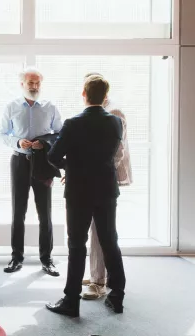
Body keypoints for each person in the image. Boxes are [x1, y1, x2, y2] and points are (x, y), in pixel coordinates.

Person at [45, 75, 128, 318]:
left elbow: (52, 156)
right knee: (109, 241)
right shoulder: (115, 122)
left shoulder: (73, 123)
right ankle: (117, 297)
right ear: (105, 96)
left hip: (79, 190)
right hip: (105, 188)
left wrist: (69, 168)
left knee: (76, 244)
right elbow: (112, 154)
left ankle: (71, 301)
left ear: (83, 93)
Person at [0, 67, 63, 277]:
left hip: (43, 163)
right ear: (22, 84)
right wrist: (18, 141)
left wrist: (43, 143)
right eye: (30, 83)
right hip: (20, 162)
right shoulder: (11, 106)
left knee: (45, 212)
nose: (34, 87)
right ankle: (16, 257)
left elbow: (60, 134)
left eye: (37, 83)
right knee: (18, 211)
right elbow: (1, 134)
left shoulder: (50, 107)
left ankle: (47, 259)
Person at [80, 72, 131, 300]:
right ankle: (96, 274)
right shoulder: (96, 111)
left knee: (103, 233)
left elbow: (117, 153)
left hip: (103, 181)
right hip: (96, 180)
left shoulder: (114, 112)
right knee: (97, 231)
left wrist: (94, 171)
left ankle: (99, 281)